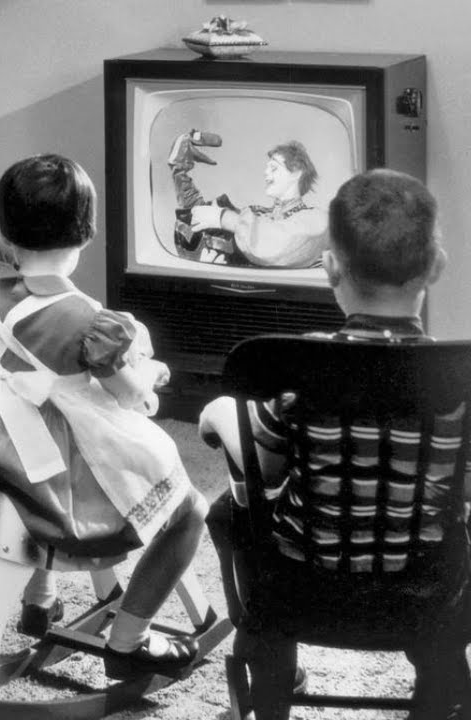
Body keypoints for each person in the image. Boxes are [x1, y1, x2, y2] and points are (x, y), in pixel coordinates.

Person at [0, 154, 210, 689]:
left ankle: (40, 598)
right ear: (86, 231)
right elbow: (127, 395)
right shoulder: (92, 318)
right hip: (53, 462)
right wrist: (150, 375)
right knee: (186, 505)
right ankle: (128, 641)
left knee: (51, 459)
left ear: (6, 234)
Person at [198, 168, 468, 720]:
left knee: (229, 512)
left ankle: (270, 660)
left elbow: (267, 466)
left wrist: (220, 414)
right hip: (427, 589)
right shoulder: (460, 381)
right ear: (437, 266)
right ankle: (439, 677)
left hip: (303, 585)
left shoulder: (299, 372)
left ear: (329, 268)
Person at [169, 131, 328, 268]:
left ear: (297, 173)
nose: (265, 173)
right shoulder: (254, 216)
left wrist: (223, 218)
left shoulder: (317, 219)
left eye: (274, 168)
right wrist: (179, 171)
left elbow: (276, 244)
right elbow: (200, 220)